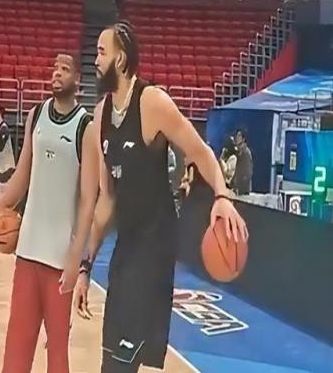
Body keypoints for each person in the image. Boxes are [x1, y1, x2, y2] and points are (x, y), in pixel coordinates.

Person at [73, 20, 248, 372]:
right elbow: (107, 200)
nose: (95, 60)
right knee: (112, 359)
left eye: (102, 52)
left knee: (119, 364)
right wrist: (85, 267)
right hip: (126, 250)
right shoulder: (102, 114)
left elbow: (200, 152)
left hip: (153, 250)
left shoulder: (151, 102)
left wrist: (222, 197)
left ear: (121, 59)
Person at [0, 53, 99, 373]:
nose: (56, 73)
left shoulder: (86, 127)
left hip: (60, 261)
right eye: (54, 68)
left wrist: (77, 259)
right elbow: (21, 175)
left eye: (64, 69)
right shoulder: (35, 115)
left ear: (77, 80)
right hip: (28, 252)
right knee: (16, 351)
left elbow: (88, 200)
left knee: (57, 354)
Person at [232, 129, 253, 195]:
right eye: (236, 136)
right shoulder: (237, 151)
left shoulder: (246, 152)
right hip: (237, 187)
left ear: (243, 139)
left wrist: (243, 183)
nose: (237, 138)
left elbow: (248, 171)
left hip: (243, 188)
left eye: (239, 136)